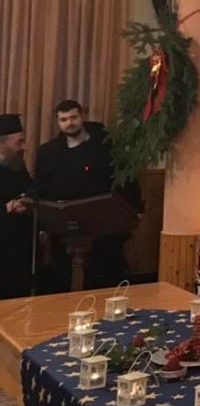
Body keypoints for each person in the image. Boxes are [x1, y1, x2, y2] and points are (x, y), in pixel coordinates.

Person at [35, 100, 141, 290]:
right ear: (57, 122)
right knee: (63, 275)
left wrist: (136, 208)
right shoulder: (48, 152)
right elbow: (41, 187)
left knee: (106, 274)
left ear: (82, 116)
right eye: (63, 119)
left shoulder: (106, 144)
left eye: (73, 117)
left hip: (104, 223)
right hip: (66, 226)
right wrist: (43, 224)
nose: (69, 123)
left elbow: (126, 177)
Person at [0, 114, 33, 299]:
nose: (24, 147)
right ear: (2, 144)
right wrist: (6, 208)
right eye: (18, 142)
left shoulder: (17, 166)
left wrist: (27, 201)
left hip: (20, 246)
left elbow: (31, 190)